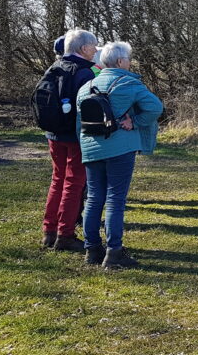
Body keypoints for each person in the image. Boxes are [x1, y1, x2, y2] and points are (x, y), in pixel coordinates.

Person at [77, 41, 163, 270]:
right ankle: (114, 252)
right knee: (115, 199)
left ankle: (92, 249)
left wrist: (84, 146)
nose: (130, 62)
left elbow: (79, 122)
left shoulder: (87, 86)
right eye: (128, 58)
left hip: (91, 148)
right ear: (119, 61)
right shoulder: (128, 83)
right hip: (120, 148)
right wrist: (134, 122)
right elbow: (156, 108)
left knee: (94, 198)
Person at [39, 29, 98, 251]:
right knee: (74, 183)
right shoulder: (85, 72)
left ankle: (49, 231)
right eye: (93, 46)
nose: (95, 50)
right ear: (83, 48)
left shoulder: (54, 68)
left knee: (58, 180)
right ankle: (65, 235)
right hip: (75, 135)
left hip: (53, 133)